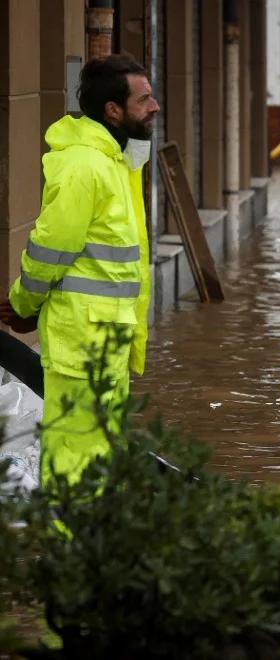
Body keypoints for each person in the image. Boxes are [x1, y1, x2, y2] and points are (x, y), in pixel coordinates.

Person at [0, 54, 157, 489]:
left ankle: (93, 544)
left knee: (98, 449)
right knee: (76, 452)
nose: (156, 106)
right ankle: (75, 544)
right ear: (113, 110)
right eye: (144, 99)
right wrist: (22, 304)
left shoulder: (113, 161)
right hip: (83, 339)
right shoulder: (85, 165)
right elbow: (50, 248)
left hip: (102, 337)